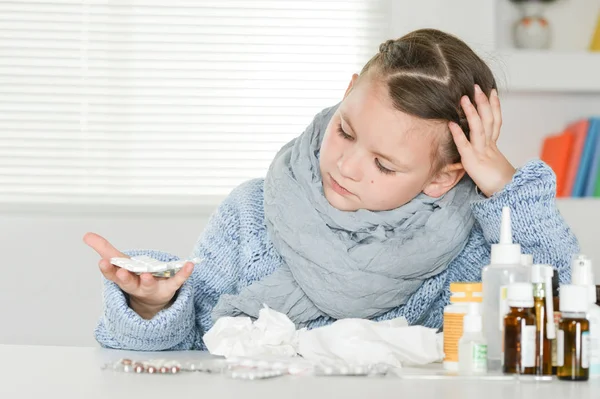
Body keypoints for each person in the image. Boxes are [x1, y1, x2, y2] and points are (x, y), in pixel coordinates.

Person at [84, 29, 579, 351]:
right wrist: (153, 306)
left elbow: (560, 314)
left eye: (384, 164)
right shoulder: (251, 213)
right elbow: (186, 351)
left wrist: (505, 187)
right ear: (346, 92)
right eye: (345, 131)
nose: (346, 164)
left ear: (441, 178)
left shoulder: (471, 250)